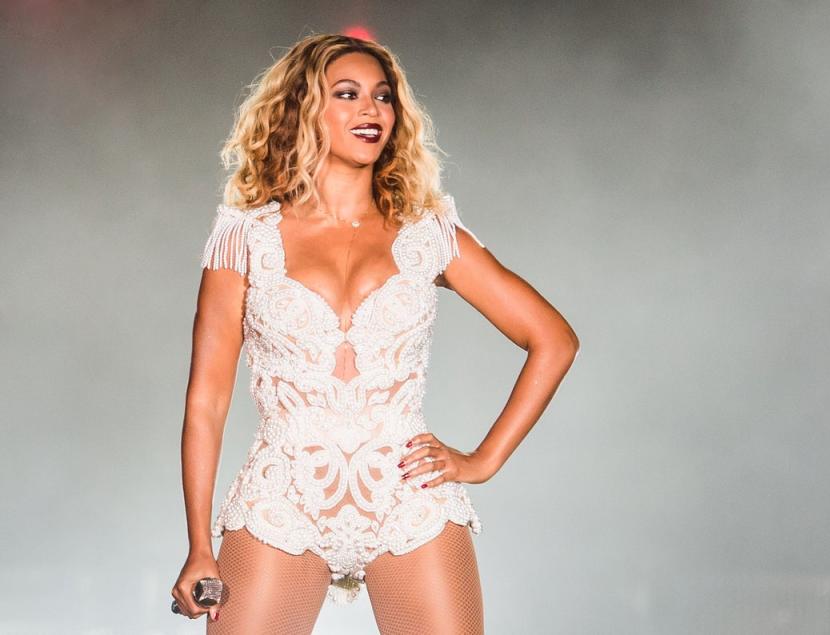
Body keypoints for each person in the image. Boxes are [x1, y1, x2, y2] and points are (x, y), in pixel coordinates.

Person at [170, 33, 579, 634]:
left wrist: (483, 462)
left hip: (408, 501)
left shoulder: (427, 233)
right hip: (284, 501)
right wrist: (199, 545)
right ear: (304, 110)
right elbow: (206, 404)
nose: (372, 110)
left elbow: (553, 338)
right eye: (348, 94)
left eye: (383, 97)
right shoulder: (243, 237)